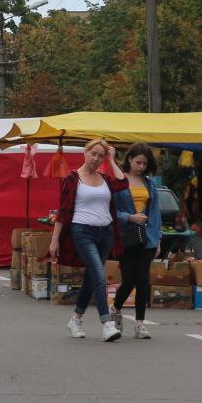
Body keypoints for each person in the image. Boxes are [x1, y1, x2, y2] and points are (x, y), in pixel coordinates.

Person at [49, 138, 128, 342]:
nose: (96, 158)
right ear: (85, 153)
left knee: (92, 278)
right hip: (82, 232)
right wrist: (54, 240)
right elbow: (63, 210)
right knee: (99, 275)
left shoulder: (105, 178)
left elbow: (123, 183)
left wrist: (111, 160)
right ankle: (107, 324)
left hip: (106, 232)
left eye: (101, 155)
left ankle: (76, 319)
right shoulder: (72, 179)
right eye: (93, 154)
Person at [112, 143, 162, 339]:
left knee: (143, 280)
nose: (140, 166)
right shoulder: (119, 181)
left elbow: (156, 213)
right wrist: (129, 217)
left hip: (147, 238)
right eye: (137, 162)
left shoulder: (150, 184)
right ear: (129, 159)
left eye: (144, 163)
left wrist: (157, 239)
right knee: (129, 280)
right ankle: (116, 308)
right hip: (126, 237)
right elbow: (112, 211)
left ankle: (140, 323)